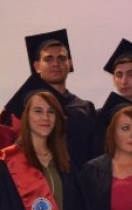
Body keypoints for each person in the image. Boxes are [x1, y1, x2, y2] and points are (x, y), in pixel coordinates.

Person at [11, 30, 98, 170]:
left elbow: (95, 156)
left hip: (80, 181)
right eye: (48, 59)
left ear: (69, 64)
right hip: (37, 180)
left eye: (62, 58)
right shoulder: (21, 112)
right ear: (37, 66)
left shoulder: (85, 109)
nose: (56, 64)